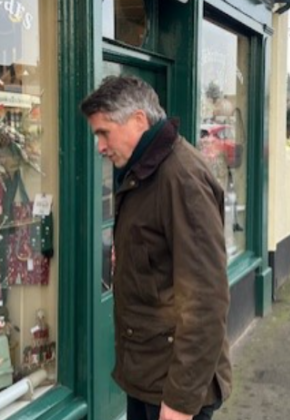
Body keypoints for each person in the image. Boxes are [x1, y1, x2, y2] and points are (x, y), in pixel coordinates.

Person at [81, 75, 231, 420]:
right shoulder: (143, 172)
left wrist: (180, 401)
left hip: (173, 389)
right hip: (148, 376)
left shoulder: (181, 178)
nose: (99, 146)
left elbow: (206, 301)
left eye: (103, 132)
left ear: (138, 120)